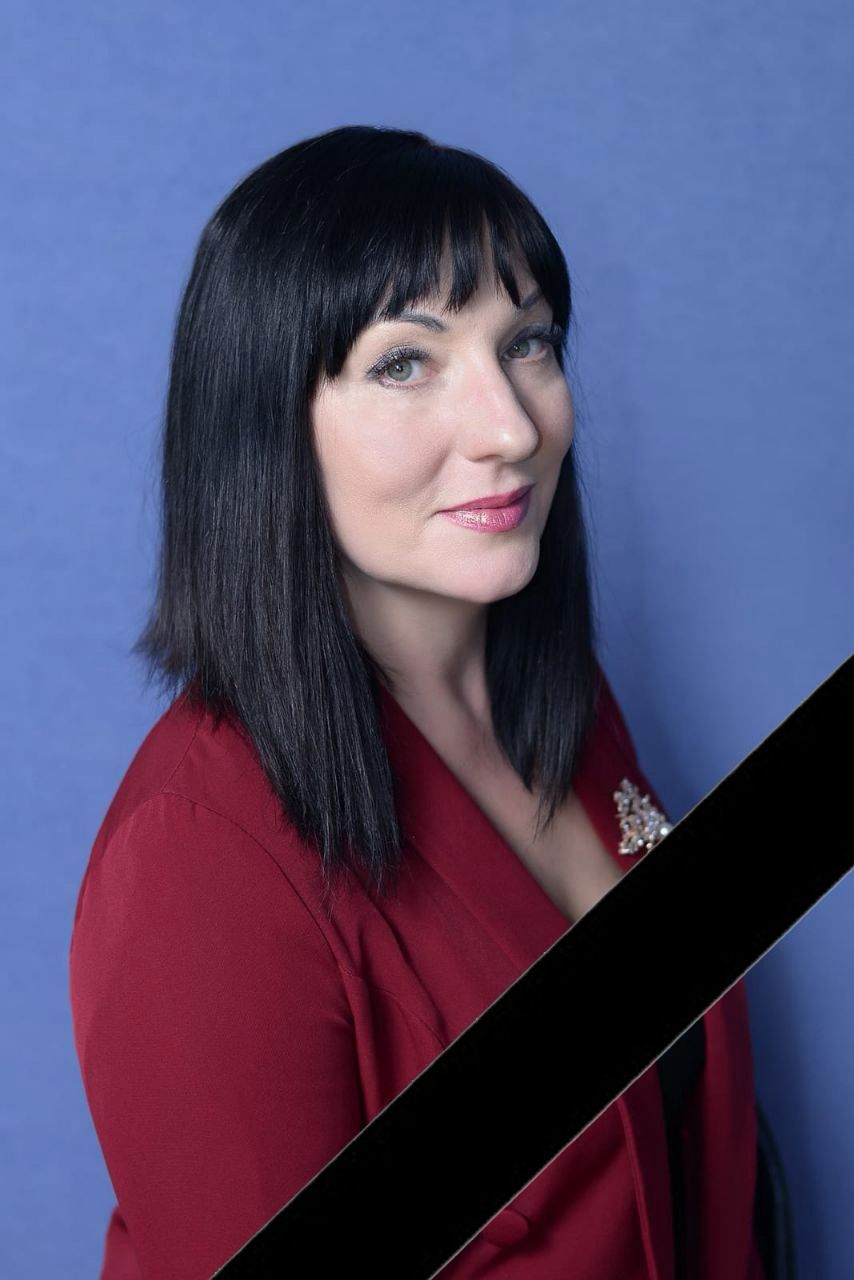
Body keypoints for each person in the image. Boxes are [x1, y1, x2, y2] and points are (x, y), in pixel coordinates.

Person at [68, 124, 766, 1279]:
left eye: (527, 342)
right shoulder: (198, 851)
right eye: (405, 362)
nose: (511, 427)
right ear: (266, 420)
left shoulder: (568, 709)